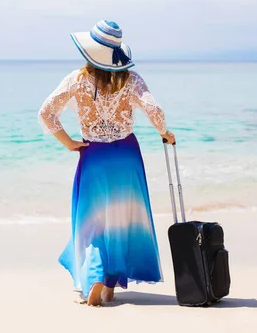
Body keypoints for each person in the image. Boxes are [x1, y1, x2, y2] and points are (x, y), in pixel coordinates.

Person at [38, 20, 175, 306]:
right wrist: (165, 133)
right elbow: (155, 110)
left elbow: (46, 113)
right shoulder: (132, 79)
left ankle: (95, 279)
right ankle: (110, 284)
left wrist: (70, 143)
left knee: (94, 220)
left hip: (94, 156)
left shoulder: (77, 79)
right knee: (121, 218)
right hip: (126, 155)